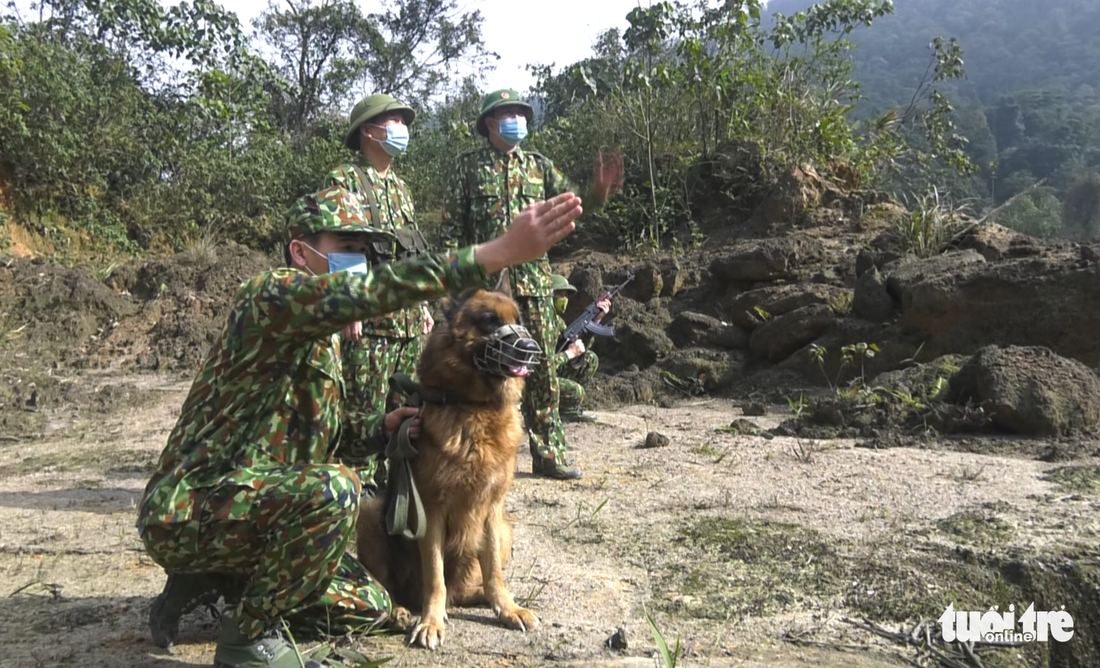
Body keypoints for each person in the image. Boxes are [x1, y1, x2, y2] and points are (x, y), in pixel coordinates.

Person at [138, 185, 583, 668]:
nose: (359, 261)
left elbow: (328, 434)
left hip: (260, 506)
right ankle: (246, 638)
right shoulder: (266, 296)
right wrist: (497, 252)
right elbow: (378, 290)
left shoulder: (322, 339)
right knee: (337, 489)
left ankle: (218, 577)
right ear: (299, 251)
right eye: (345, 249)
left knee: (372, 604)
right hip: (191, 505)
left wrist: (384, 428)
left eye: (363, 251)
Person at [440, 88, 623, 481]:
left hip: (535, 283)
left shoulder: (539, 166)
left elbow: (574, 204)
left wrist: (598, 192)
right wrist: (453, 288)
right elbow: (453, 230)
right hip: (487, 288)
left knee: (540, 370)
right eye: (507, 113)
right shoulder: (467, 167)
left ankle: (549, 454)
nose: (516, 120)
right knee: (480, 370)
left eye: (520, 113)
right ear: (490, 123)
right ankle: (481, 457)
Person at [321, 93, 431, 494]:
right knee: (363, 413)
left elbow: (412, 254)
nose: (401, 129)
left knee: (402, 413)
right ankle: (357, 496)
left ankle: (392, 492)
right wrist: (351, 307)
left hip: (404, 325)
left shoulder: (402, 190)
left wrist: (422, 306)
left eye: (403, 121)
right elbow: (342, 245)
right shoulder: (344, 181)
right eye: (393, 121)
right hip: (369, 326)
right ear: (369, 130)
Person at [550, 274, 609, 423]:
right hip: (540, 379)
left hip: (555, 371)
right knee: (577, 391)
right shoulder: (540, 326)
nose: (564, 299)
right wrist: (568, 354)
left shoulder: (557, 322)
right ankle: (563, 408)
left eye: (566, 295)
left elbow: (580, 350)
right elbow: (541, 366)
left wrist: (596, 319)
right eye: (560, 294)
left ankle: (568, 409)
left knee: (590, 358)